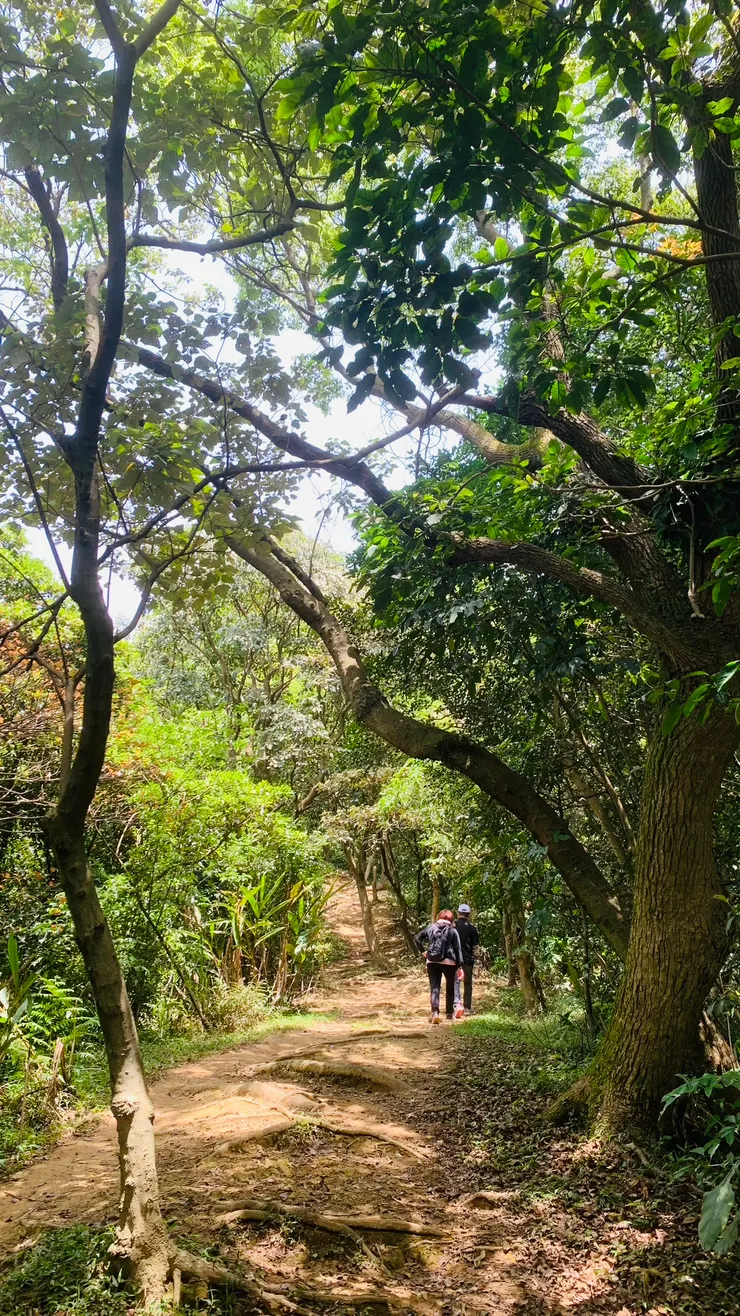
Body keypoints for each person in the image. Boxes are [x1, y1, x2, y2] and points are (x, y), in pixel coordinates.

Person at [414, 909, 463, 1024]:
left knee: (434, 987)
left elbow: (417, 938)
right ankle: (450, 1014)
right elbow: (458, 949)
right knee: (450, 988)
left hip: (432, 961)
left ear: (438, 917)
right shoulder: (453, 931)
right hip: (449, 963)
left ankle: (435, 1013)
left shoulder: (431, 927)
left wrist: (423, 952)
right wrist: (459, 966)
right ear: (451, 920)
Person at [454, 903, 480, 1015]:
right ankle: (467, 1008)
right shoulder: (472, 928)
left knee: (455, 982)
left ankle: (455, 1006)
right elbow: (475, 947)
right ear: (468, 915)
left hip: (454, 959)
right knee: (468, 983)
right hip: (468, 959)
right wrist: (478, 961)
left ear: (458, 913)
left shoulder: (452, 926)